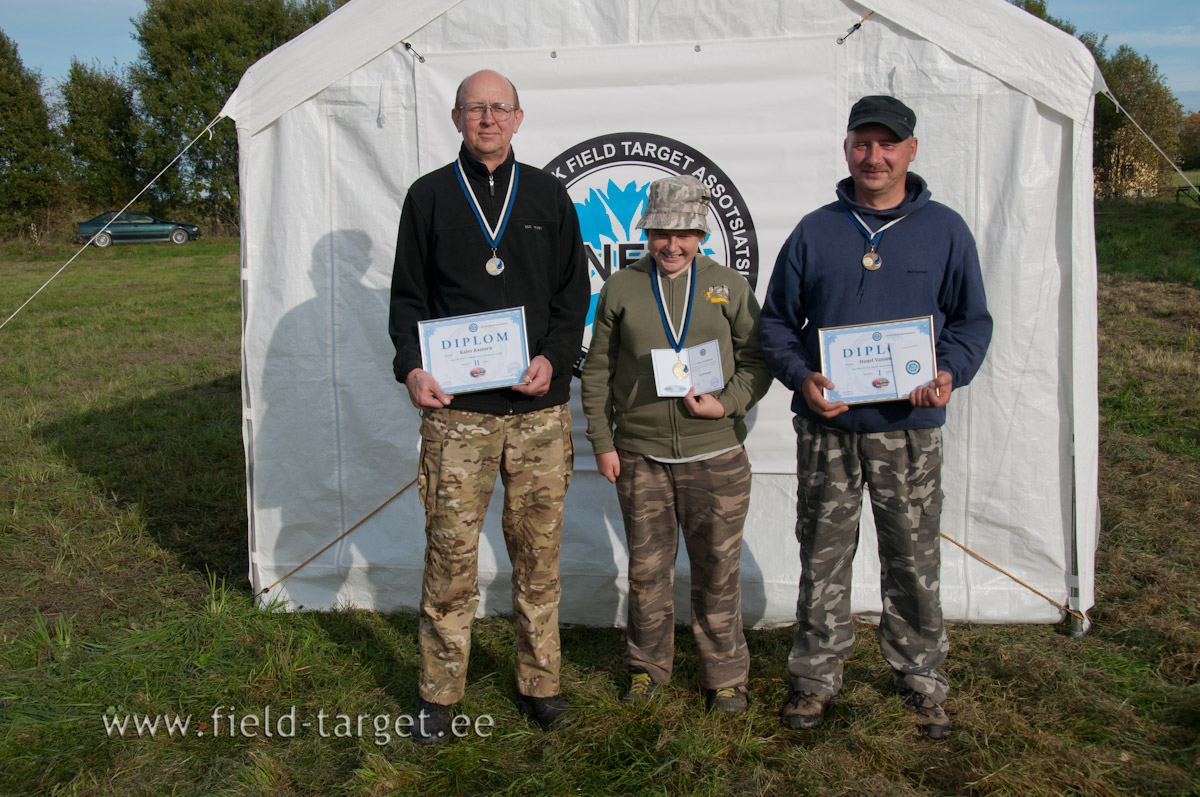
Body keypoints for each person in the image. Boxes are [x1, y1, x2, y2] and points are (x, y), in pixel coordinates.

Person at [759, 95, 992, 739]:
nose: (875, 156)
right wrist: (804, 379)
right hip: (829, 429)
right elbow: (775, 324)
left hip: (910, 433)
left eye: (888, 144)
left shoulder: (944, 230)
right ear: (846, 149)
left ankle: (920, 677)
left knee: (914, 560)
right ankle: (813, 678)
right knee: (823, 556)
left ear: (911, 151)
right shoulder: (815, 230)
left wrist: (948, 372)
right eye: (863, 143)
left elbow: (972, 321)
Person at [388, 69, 588, 744]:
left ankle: (542, 681)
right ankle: (439, 693)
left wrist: (555, 358)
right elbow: (407, 302)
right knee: (450, 558)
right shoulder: (429, 198)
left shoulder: (550, 195)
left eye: (499, 107)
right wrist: (411, 367)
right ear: (456, 117)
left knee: (538, 556)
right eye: (475, 107)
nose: (488, 118)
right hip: (458, 416)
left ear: (519, 117)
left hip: (537, 414)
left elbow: (572, 297)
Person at [581, 175, 773, 714]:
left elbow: (759, 361)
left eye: (684, 232)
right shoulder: (621, 286)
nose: (672, 244)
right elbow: (597, 370)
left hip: (716, 456)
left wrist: (728, 403)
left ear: (701, 233)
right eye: (661, 231)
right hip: (641, 455)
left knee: (717, 569)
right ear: (647, 231)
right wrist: (602, 439)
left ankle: (726, 677)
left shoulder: (728, 285)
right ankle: (646, 669)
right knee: (647, 571)